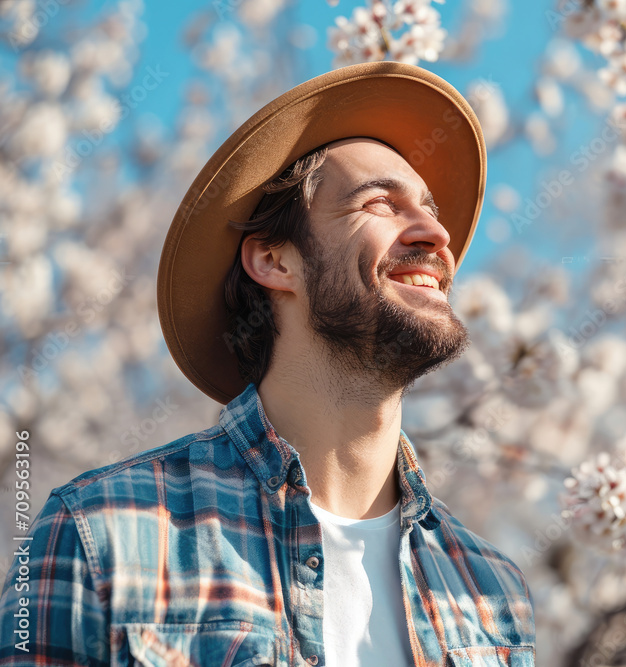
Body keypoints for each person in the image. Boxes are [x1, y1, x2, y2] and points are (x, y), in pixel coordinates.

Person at [0, 61, 535, 667]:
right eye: (381, 203)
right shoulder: (102, 533)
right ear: (276, 262)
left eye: (431, 208)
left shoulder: (491, 593)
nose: (436, 233)